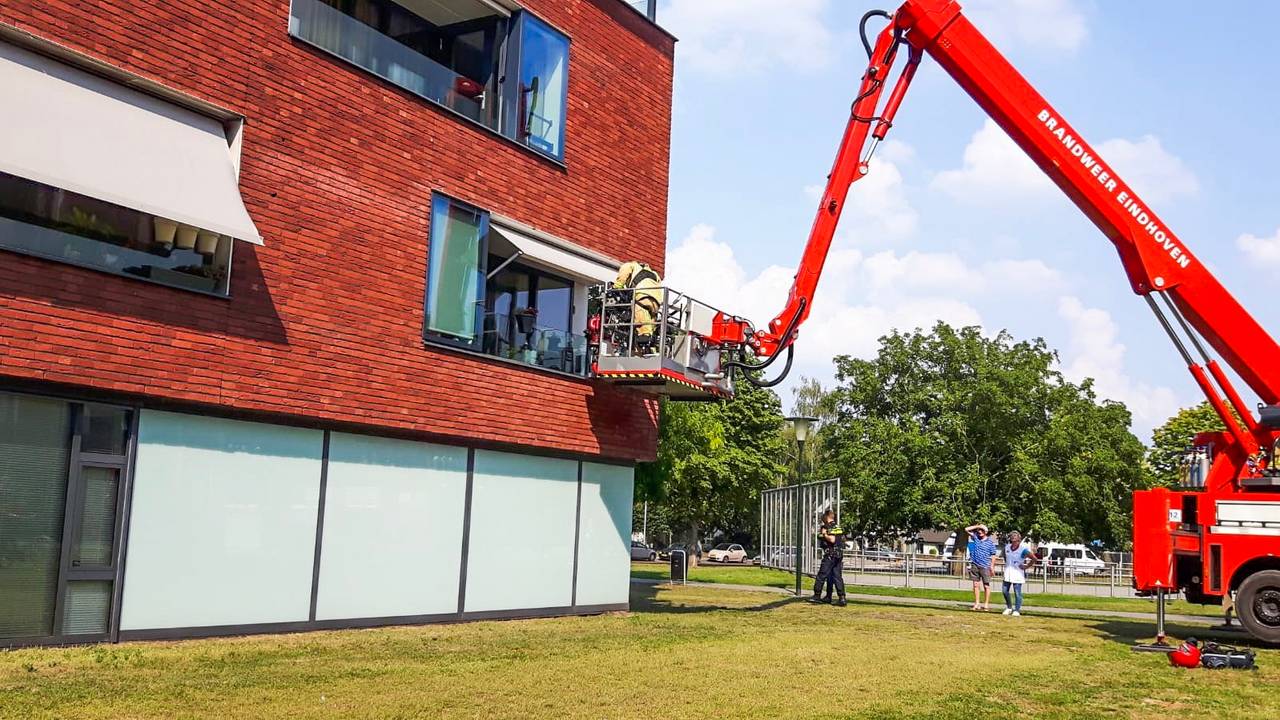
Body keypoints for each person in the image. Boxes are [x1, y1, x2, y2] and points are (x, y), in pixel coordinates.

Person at [810, 509, 847, 606]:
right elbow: (841, 540)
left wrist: (824, 534)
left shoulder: (827, 527)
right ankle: (840, 598)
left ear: (826, 517)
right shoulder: (838, 527)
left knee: (822, 575)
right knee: (836, 576)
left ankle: (816, 595)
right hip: (838, 555)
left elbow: (832, 539)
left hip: (830, 554)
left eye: (823, 518)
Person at [1001, 531, 1035, 616]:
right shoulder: (1007, 547)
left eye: (1015, 537)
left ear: (1019, 539)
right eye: (1012, 536)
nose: (1013, 538)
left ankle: (1017, 609)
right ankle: (1009, 607)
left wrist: (1026, 566)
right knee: (1005, 591)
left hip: (1017, 574)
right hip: (1008, 572)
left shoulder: (1023, 549)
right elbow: (1005, 557)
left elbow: (1034, 558)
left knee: (1017, 592)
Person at [965, 523, 997, 611]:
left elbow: (993, 555)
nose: (979, 532)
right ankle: (977, 603)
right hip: (975, 564)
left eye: (982, 530)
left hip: (985, 566)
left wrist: (992, 566)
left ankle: (986, 604)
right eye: (979, 531)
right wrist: (978, 526)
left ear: (985, 532)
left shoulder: (990, 543)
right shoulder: (975, 538)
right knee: (976, 585)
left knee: (986, 585)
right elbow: (966, 529)